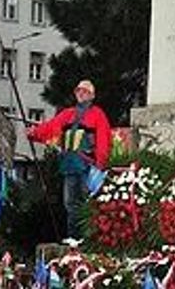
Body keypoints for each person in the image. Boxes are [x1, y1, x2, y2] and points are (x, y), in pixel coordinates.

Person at [26, 78, 112, 239]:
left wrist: (100, 163)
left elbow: (103, 140)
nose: (81, 93)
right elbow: (50, 128)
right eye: (79, 90)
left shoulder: (98, 115)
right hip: (70, 166)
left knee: (87, 205)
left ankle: (87, 240)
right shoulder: (67, 114)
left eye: (85, 91)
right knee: (70, 205)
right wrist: (34, 133)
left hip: (89, 167)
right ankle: (74, 239)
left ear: (92, 95)